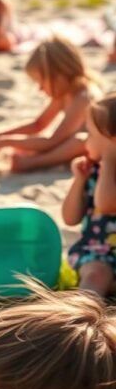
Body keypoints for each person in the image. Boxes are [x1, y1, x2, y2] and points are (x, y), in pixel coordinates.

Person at [0, 36, 101, 172]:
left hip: (95, 149)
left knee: (80, 141)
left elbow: (53, 141)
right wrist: (1, 134)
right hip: (65, 143)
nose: (40, 89)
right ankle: (33, 158)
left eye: (41, 82)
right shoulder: (64, 92)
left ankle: (34, 162)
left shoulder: (84, 98)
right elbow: (38, 124)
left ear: (59, 76)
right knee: (44, 142)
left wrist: (7, 142)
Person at [64, 92, 116, 297]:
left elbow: (106, 203)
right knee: (95, 276)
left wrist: (109, 159)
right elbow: (70, 218)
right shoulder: (92, 171)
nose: (86, 140)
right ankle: (83, 314)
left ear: (112, 140)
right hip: (98, 254)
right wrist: (79, 181)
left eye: (91, 135)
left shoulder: (105, 169)